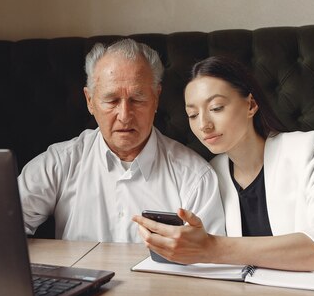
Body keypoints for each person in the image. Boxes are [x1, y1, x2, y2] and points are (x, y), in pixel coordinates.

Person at [133, 56, 314, 271]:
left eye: (216, 108)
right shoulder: (210, 174)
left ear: (251, 105)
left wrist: (213, 248)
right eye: (193, 115)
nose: (204, 124)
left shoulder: (308, 149)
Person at [18, 39, 225, 242]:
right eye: (111, 100)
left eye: (137, 99)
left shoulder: (195, 176)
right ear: (90, 101)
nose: (125, 116)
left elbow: (211, 260)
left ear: (156, 98)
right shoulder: (59, 163)